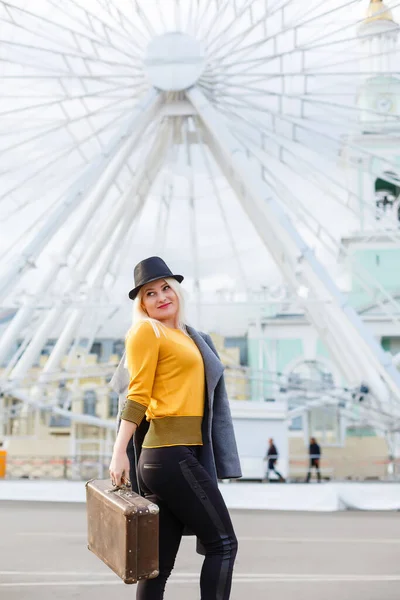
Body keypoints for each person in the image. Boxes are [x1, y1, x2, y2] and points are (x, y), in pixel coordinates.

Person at [109, 256, 242, 600]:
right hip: (167, 456)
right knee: (223, 544)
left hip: (178, 456)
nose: (161, 297)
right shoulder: (146, 332)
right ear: (142, 305)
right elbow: (137, 395)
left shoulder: (187, 336)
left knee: (158, 565)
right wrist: (118, 453)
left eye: (166, 287)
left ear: (177, 291)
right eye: (149, 294)